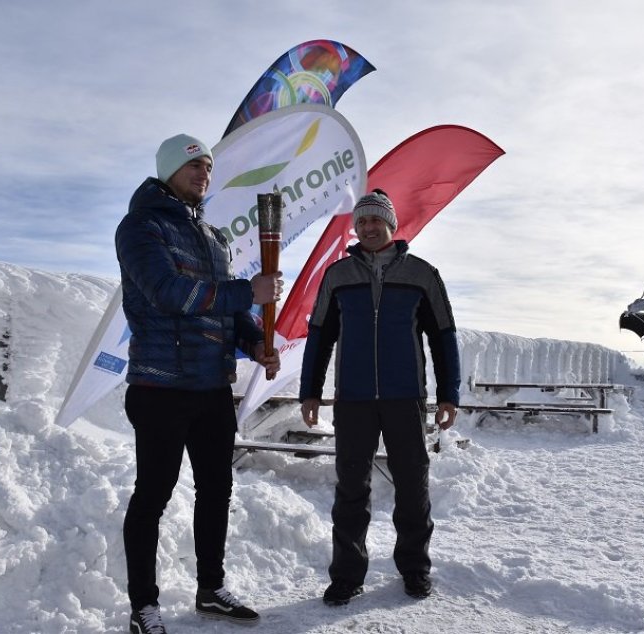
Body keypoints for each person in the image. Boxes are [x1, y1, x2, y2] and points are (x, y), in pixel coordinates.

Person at [116, 133, 283, 634]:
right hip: (160, 385)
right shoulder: (140, 227)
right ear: (168, 169)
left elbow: (225, 316)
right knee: (153, 495)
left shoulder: (213, 238)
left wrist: (254, 341)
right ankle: (143, 606)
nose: (203, 174)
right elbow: (169, 294)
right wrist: (245, 292)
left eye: (208, 167)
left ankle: (211, 589)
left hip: (211, 387)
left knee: (216, 490)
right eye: (194, 166)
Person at [298, 188, 461, 606]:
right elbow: (319, 337)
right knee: (351, 489)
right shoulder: (337, 276)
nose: (369, 227)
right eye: (363, 221)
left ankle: (414, 570)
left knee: (412, 485)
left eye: (377, 220)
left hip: (405, 396)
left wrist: (449, 393)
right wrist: (310, 391)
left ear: (392, 224)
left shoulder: (422, 275)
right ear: (356, 228)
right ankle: (347, 576)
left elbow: (443, 337)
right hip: (353, 399)